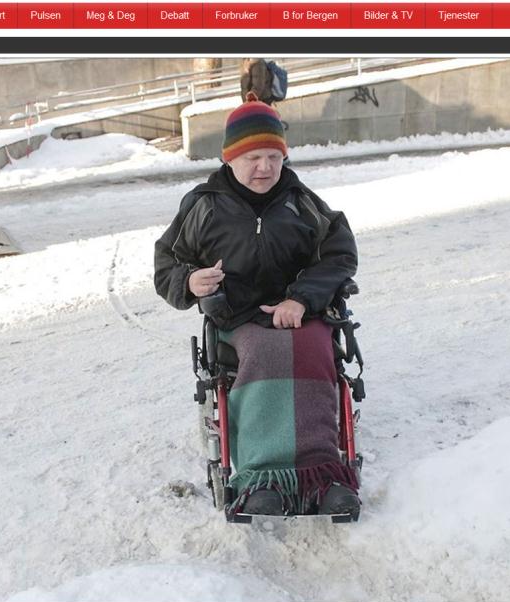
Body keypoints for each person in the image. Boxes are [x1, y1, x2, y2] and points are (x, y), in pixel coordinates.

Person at [154, 95, 361, 517]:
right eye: (252, 157)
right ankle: (263, 478)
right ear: (229, 158)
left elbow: (339, 255)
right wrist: (190, 281)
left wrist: (301, 298)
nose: (264, 167)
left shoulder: (301, 201)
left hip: (300, 313)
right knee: (263, 352)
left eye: (273, 156)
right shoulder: (203, 205)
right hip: (237, 317)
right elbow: (167, 265)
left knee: (314, 350)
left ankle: (323, 474)